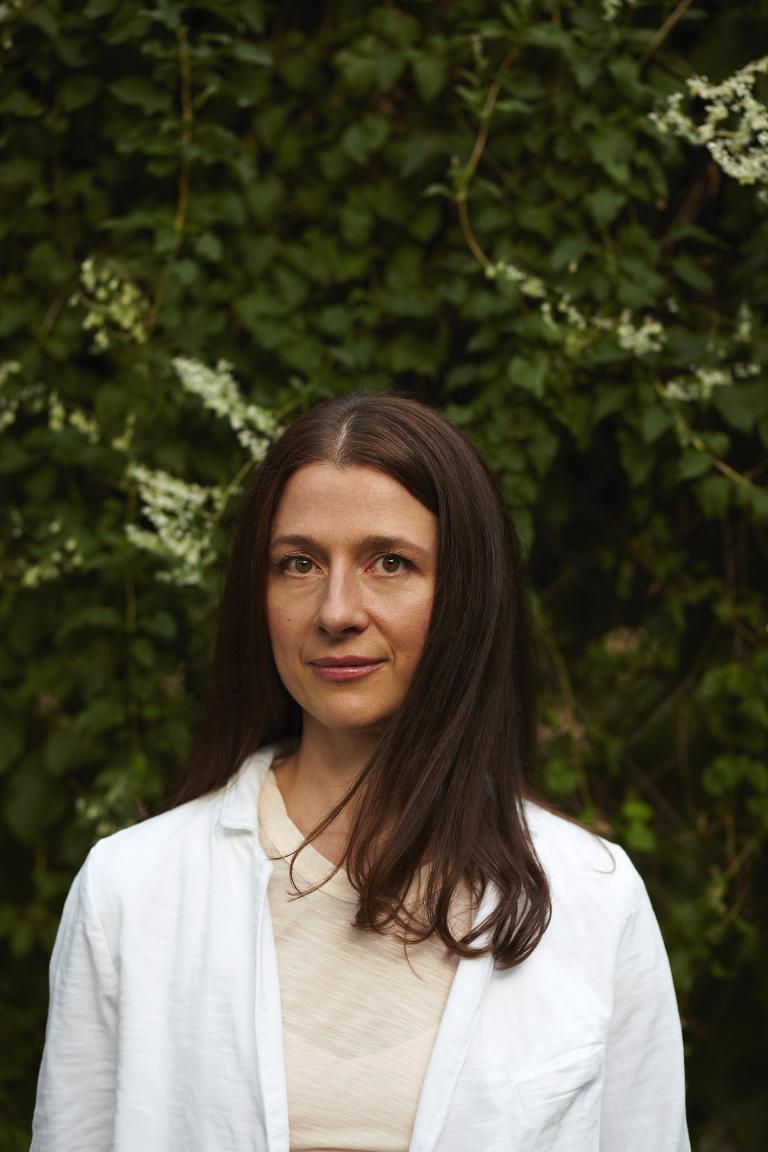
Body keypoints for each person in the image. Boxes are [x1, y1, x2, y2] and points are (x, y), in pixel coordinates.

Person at [30, 392, 690, 1152]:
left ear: (467, 595)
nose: (337, 610)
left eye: (390, 562)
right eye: (299, 563)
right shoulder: (130, 891)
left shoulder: (592, 898)